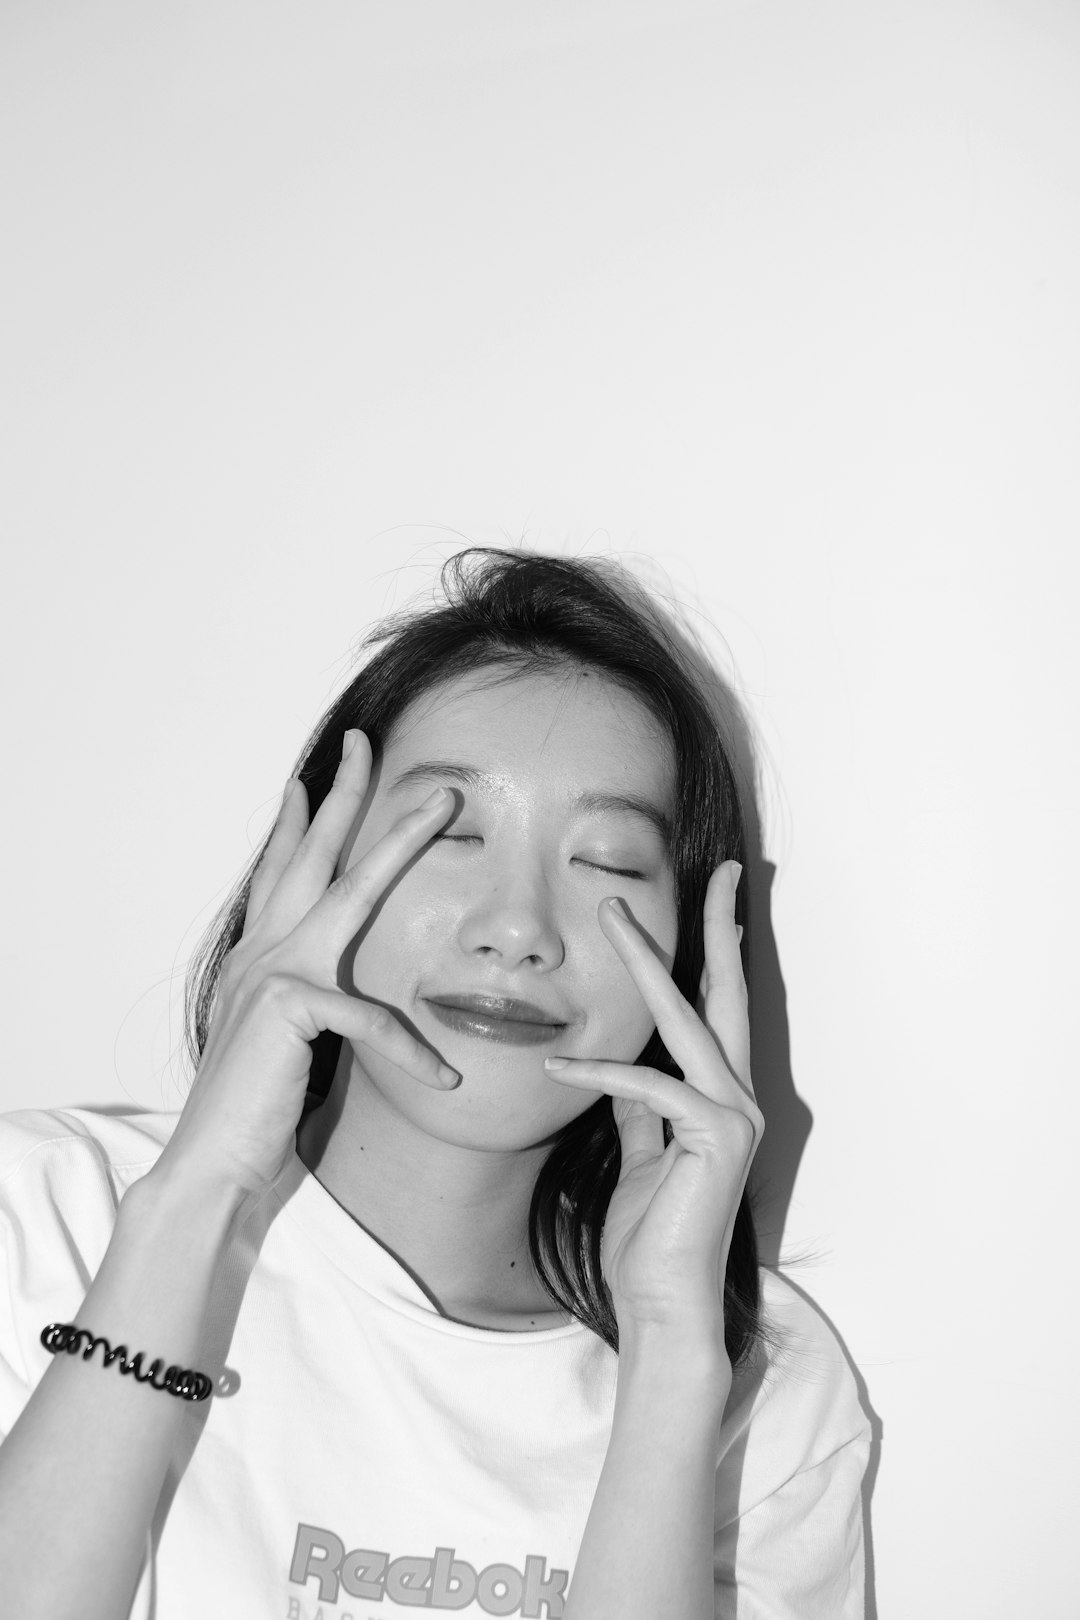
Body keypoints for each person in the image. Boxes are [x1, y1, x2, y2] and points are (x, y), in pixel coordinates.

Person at [0, 547, 871, 1619]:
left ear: (690, 947)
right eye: (450, 832)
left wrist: (669, 1356)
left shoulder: (765, 1382)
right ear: (309, 873)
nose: (517, 928)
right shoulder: (41, 1221)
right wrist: (198, 1199)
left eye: (607, 861)